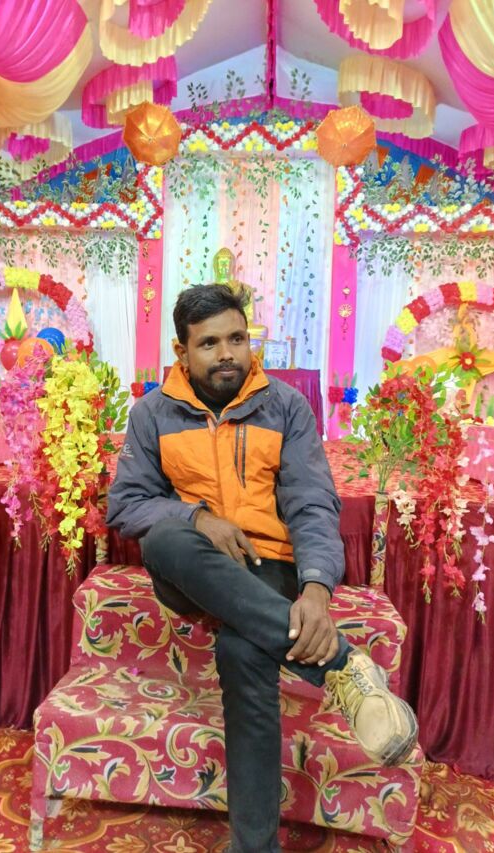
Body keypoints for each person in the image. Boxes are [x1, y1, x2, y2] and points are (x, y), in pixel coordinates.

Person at [106, 284, 418, 853]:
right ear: (182, 352)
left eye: (237, 338)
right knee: (165, 539)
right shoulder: (152, 413)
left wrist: (316, 589)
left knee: (241, 649)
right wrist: (198, 518)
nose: (227, 353)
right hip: (191, 570)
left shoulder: (286, 407)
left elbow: (312, 503)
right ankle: (340, 666)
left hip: (268, 566)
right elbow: (126, 505)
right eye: (209, 343)